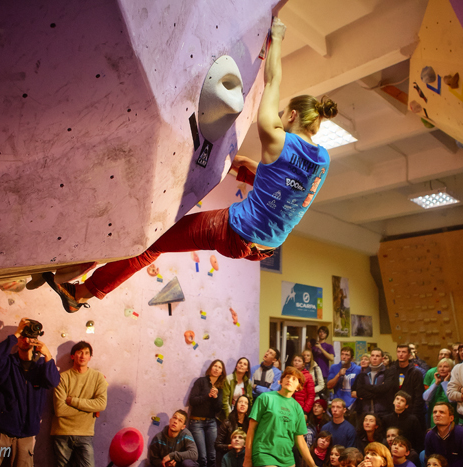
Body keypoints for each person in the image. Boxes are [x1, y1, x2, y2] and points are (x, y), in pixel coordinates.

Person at [43, 16, 338, 313]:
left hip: (235, 231)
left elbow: (273, 80)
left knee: (153, 243)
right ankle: (82, 279)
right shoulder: (323, 161)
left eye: (284, 114)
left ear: (291, 117)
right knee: (251, 168)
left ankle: (82, 292)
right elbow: (284, 187)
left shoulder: (278, 138)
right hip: (266, 247)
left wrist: (276, 38)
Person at [0, 318, 60, 467]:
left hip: (26, 433)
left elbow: (53, 382)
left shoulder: (41, 366)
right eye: (23, 336)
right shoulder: (7, 362)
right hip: (0, 430)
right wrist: (15, 334)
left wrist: (48, 355)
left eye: (30, 337)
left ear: (36, 341)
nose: (26, 340)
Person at [244, 365, 317, 467]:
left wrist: (313, 465)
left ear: (298, 387)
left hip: (287, 458)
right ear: (280, 381)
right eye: (287, 377)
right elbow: (251, 429)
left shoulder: (297, 408)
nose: (289, 380)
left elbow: (300, 441)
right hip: (264, 454)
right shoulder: (265, 398)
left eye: (294, 379)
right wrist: (247, 459)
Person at [51, 340, 108, 466]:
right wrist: (89, 409)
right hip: (62, 433)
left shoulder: (98, 377)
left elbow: (101, 404)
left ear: (90, 357)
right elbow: (60, 410)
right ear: (72, 356)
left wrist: (72, 401)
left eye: (86, 353)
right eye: (79, 352)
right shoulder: (62, 378)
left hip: (85, 434)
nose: (83, 356)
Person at [424, 402, 463, 467]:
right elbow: (428, 461)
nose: (437, 414)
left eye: (442, 412)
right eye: (434, 412)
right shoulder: (430, 436)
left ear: (451, 418)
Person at [188, 360, 226, 467]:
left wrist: (215, 398)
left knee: (213, 456)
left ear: (222, 372)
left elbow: (218, 409)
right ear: (210, 368)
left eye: (219, 367)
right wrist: (208, 396)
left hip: (211, 422)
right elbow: (192, 401)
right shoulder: (201, 381)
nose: (216, 368)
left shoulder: (221, 387)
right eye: (215, 366)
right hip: (196, 422)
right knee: (202, 457)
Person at [386, 345, 426, 427]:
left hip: (411, 413)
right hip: (394, 412)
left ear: (409, 355)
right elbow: (388, 392)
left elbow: (418, 396)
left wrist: (414, 415)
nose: (401, 354)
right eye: (398, 352)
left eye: (403, 352)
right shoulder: (391, 370)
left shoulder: (415, 372)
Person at [352, 349, 393, 418]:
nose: (374, 358)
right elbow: (359, 392)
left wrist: (366, 387)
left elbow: (386, 390)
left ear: (382, 359)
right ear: (370, 358)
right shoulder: (363, 374)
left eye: (377, 356)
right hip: (365, 411)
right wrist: (379, 392)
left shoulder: (388, 373)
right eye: (372, 355)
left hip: (383, 412)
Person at [216, 395, 251, 462]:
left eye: (246, 403)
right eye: (240, 402)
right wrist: (231, 446)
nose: (243, 404)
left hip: (244, 457)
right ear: (236, 404)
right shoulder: (227, 423)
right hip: (229, 457)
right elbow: (217, 445)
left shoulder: (250, 424)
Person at [423, 357, 455, 428]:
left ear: (451, 369)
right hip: (434, 416)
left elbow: (451, 399)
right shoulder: (436, 380)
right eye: (440, 366)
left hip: (449, 417)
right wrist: (436, 383)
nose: (442, 369)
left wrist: (445, 383)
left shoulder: (454, 381)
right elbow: (426, 398)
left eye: (445, 366)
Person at [328, 347, 362, 411]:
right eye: (342, 354)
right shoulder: (334, 367)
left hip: (353, 405)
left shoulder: (358, 369)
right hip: (338, 404)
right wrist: (338, 375)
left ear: (352, 358)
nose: (344, 357)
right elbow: (329, 386)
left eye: (347, 355)